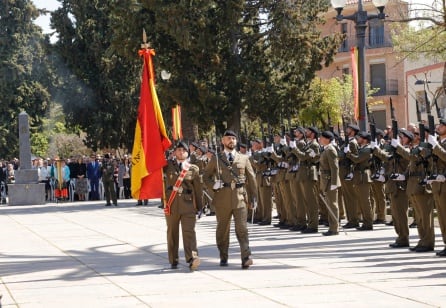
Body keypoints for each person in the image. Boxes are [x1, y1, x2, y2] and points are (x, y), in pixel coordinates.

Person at [203, 130, 258, 269]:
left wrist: (254, 198)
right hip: (222, 198)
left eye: (233, 138)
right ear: (223, 141)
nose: (231, 141)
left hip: (240, 198)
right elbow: (205, 176)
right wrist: (213, 185)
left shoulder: (244, 158)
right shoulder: (216, 158)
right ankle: (223, 255)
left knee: (242, 229)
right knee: (222, 230)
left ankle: (246, 257)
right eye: (228, 138)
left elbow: (252, 179)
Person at [164, 141, 203, 270]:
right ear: (175, 152)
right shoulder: (167, 165)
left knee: (189, 232)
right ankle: (173, 259)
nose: (181, 152)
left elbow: (198, 190)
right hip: (171, 204)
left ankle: (192, 258)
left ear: (188, 153)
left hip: (188, 204)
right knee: (172, 233)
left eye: (184, 150)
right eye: (179, 150)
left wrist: (200, 207)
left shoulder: (193, 169)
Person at [318, 131, 341, 236]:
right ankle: (332, 226)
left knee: (332, 204)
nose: (319, 139)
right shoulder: (326, 149)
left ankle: (334, 228)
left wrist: (334, 182)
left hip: (330, 180)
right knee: (329, 204)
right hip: (326, 180)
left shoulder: (330, 150)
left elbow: (334, 167)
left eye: (321, 137)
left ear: (327, 139)